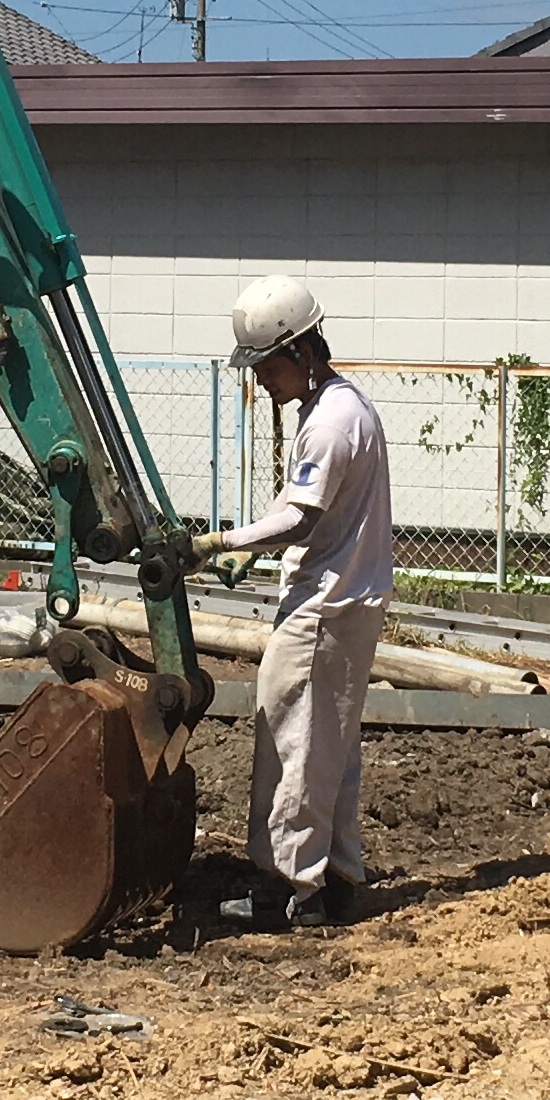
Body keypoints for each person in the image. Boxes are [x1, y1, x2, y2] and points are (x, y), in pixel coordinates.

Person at [190, 275, 391, 931]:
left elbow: (302, 518)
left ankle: (288, 890)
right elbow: (300, 502)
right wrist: (253, 544)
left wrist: (222, 541)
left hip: (324, 605)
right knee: (330, 745)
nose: (261, 381)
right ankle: (335, 879)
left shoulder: (329, 423)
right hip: (347, 597)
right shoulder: (339, 405)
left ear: (301, 350)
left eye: (267, 366)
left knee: (293, 740)